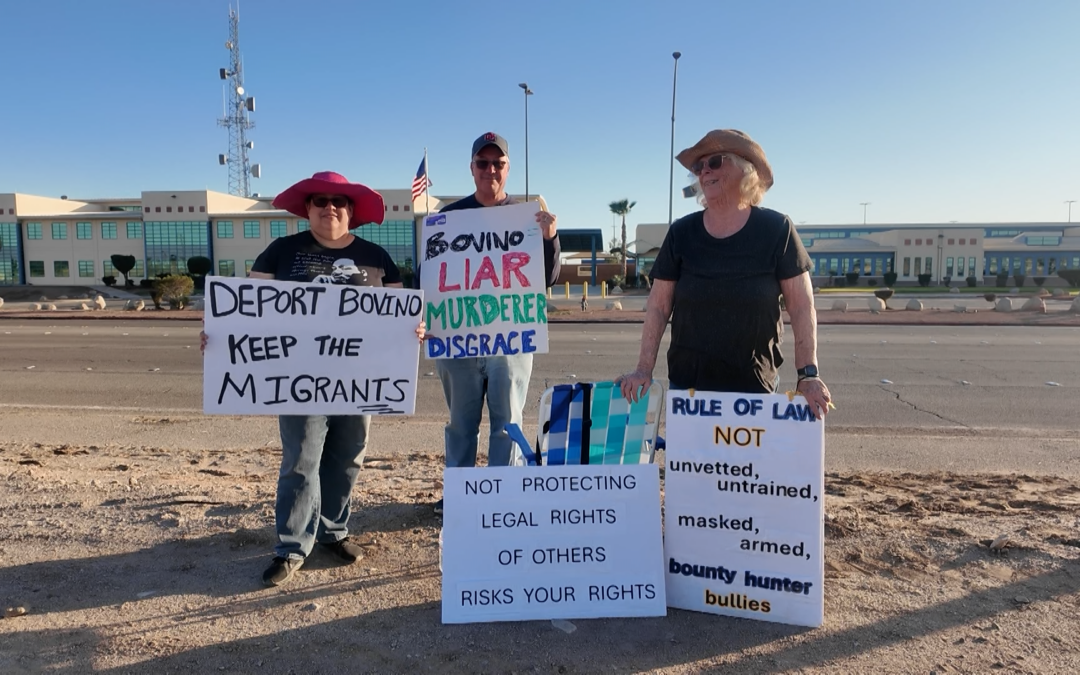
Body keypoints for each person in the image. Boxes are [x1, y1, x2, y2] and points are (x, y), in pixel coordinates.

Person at [201, 171, 425, 586]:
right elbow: (248, 311)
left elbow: (401, 315)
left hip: (360, 380)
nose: (330, 207)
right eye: (320, 200)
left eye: (339, 201)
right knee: (301, 460)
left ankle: (333, 533)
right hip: (299, 380)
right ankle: (291, 546)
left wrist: (414, 331)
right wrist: (220, 335)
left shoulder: (376, 257)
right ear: (307, 208)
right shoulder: (281, 252)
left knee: (347, 458)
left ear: (351, 210)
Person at [617, 129, 831, 418]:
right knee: (692, 465)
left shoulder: (777, 230)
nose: (704, 171)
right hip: (689, 391)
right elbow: (658, 305)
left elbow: (802, 306)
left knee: (749, 465)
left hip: (754, 389)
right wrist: (643, 369)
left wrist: (808, 374)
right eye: (698, 167)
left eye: (715, 162)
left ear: (746, 169)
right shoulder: (681, 233)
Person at [431, 132, 562, 514]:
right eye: (482, 163)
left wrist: (550, 237)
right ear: (472, 168)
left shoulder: (526, 218)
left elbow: (548, 277)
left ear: (507, 169)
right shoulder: (449, 219)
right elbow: (432, 278)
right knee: (461, 424)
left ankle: (504, 492)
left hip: (510, 341)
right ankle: (458, 494)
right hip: (459, 340)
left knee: (508, 420)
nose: (490, 169)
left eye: (498, 163)